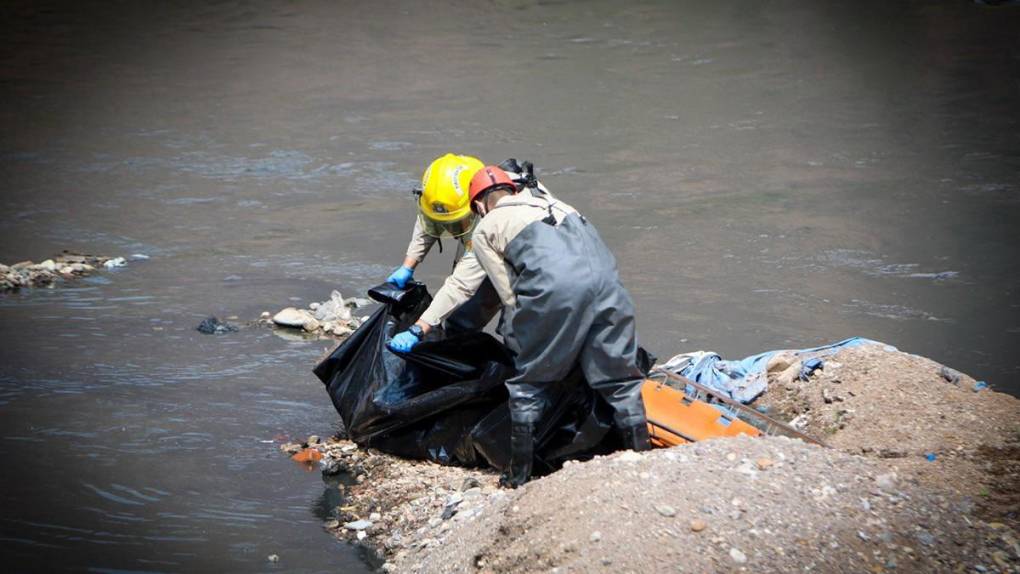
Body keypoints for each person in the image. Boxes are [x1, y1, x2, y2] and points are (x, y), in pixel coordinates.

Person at [392, 165, 651, 487]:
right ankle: (642, 460)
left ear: (478, 205)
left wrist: (421, 327)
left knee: (528, 385)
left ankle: (518, 476)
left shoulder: (487, 227)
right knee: (620, 380)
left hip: (556, 293)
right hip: (610, 286)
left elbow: (507, 294)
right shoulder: (557, 204)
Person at [385, 153, 501, 352]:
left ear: (476, 203)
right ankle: (459, 355)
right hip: (474, 236)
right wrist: (408, 265)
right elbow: (427, 223)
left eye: (455, 222)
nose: (449, 228)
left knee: (476, 318)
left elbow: (461, 285)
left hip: (517, 260)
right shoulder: (442, 196)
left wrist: (418, 329)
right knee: (455, 319)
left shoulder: (491, 219)